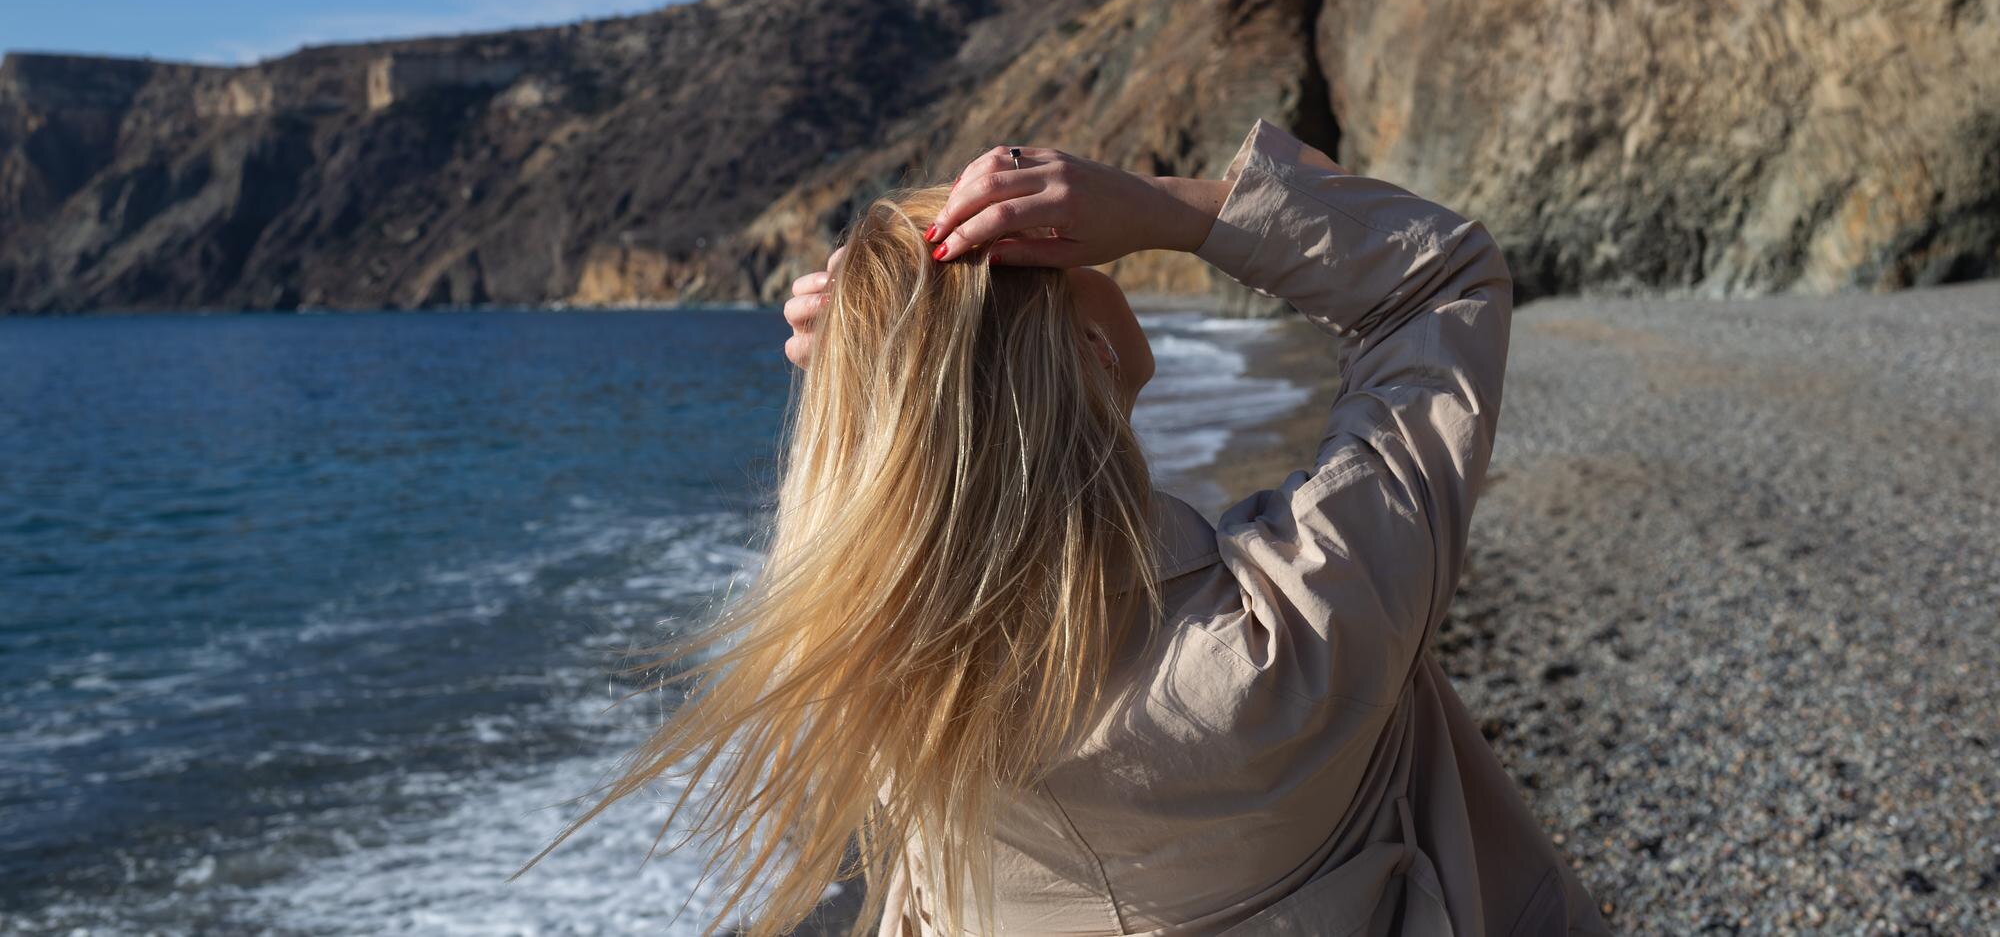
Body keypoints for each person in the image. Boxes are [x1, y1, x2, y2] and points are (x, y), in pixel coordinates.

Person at [520, 117, 1609, 935]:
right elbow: (1435, 281)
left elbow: (905, 512)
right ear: (1090, 358)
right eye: (1080, 264)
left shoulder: (889, 700)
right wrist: (1176, 213)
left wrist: (872, 368)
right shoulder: (1299, 621)